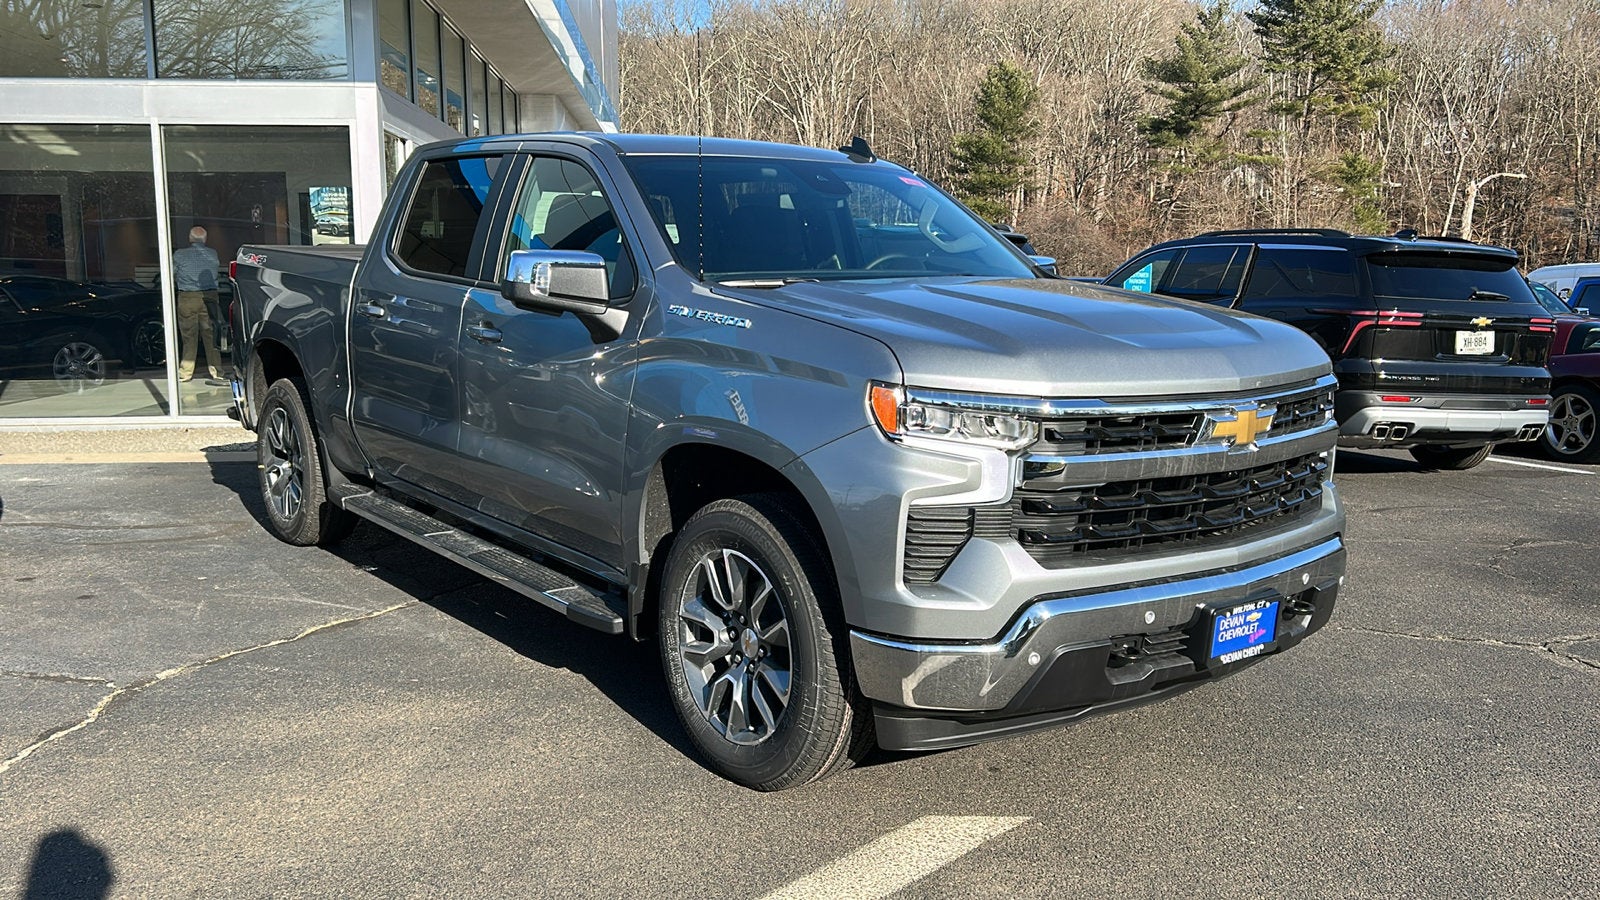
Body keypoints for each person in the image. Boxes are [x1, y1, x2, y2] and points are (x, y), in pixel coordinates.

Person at [172, 225, 223, 382]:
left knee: (189, 336)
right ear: (205, 239)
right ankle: (217, 371)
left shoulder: (180, 255)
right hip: (210, 297)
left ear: (190, 239)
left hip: (187, 297)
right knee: (211, 335)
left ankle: (186, 372)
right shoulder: (212, 253)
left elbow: (172, 274)